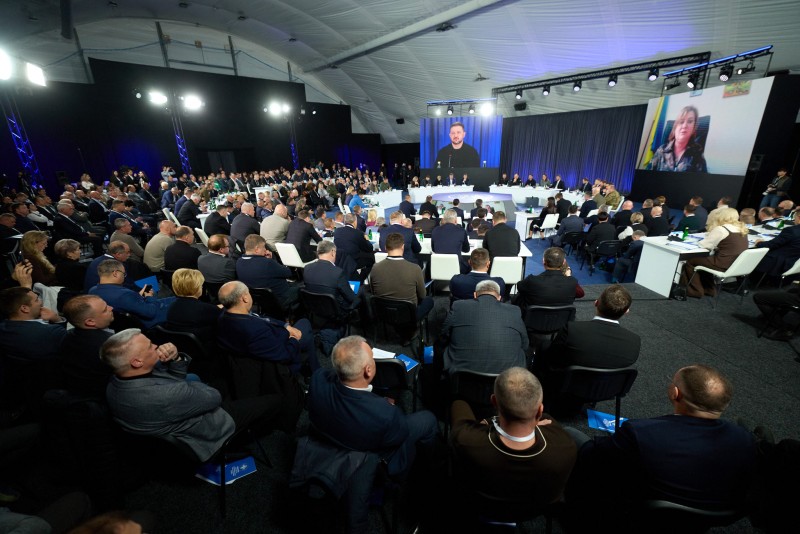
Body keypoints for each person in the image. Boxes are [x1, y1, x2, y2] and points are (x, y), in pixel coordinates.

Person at [570, 365, 755, 514]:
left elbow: (593, 458)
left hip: (631, 512)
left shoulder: (640, 433)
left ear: (675, 393)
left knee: (571, 435)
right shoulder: (746, 440)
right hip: (707, 517)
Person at [101, 328, 285, 462]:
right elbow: (214, 397)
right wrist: (194, 386)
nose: (155, 345)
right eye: (150, 346)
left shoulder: (114, 382)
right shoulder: (168, 395)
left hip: (169, 422)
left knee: (221, 381)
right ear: (137, 362)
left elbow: (174, 383)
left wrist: (175, 358)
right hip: (205, 431)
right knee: (275, 401)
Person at [308, 335, 438, 478]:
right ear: (368, 370)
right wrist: (383, 407)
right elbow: (400, 436)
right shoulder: (385, 413)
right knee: (428, 419)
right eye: (372, 357)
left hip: (330, 440)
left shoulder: (317, 379)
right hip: (371, 458)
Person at [450, 367, 576, 513]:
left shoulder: (465, 440)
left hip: (480, 507)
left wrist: (488, 422)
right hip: (532, 512)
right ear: (540, 411)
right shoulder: (566, 446)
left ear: (494, 402)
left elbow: (461, 423)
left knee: (459, 403)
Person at [216, 281, 316, 376]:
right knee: (305, 323)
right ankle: (316, 372)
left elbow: (261, 317)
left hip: (264, 347)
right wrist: (294, 339)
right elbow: (285, 355)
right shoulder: (256, 331)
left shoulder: (225, 315)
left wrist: (285, 325)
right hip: (282, 353)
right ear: (245, 298)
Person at [439, 280, 528, 374]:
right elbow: (525, 344)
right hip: (508, 376)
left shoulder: (458, 306)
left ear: (475, 295)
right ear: (499, 298)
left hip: (461, 375)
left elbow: (443, 335)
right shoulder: (514, 311)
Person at [680, 207, 748, 299]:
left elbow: (705, 245)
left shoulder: (721, 229)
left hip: (722, 263)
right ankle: (709, 289)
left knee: (691, 262)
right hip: (735, 264)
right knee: (704, 262)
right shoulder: (742, 229)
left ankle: (696, 291)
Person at [88, 259, 175, 329]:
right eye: (124, 274)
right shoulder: (124, 295)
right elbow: (151, 313)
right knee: (179, 303)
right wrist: (149, 296)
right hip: (147, 320)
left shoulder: (92, 291)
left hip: (136, 310)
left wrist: (139, 295)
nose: (124, 276)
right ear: (115, 273)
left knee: (174, 299)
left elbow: (129, 302)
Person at [59, 295, 115, 398]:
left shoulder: (67, 336)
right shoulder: (111, 344)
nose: (111, 308)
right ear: (90, 322)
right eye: (105, 310)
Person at [369, 233, 433, 321]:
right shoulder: (415, 268)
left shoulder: (375, 268)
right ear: (403, 247)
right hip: (408, 315)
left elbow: (373, 292)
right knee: (429, 301)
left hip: (383, 313)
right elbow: (422, 295)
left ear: (385, 247)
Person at [0, 286, 67, 361]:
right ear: (25, 308)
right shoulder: (52, 332)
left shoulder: (2, 330)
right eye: (37, 300)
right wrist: (58, 320)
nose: (41, 302)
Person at [236, 234, 299, 308]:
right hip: (281, 298)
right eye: (263, 247)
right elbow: (288, 273)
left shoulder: (238, 262)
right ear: (257, 249)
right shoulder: (267, 263)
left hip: (259, 301)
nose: (265, 250)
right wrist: (272, 260)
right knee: (302, 288)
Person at [165, 268, 223, 346]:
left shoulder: (171, 307)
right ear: (195, 288)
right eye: (201, 285)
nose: (202, 287)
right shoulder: (204, 310)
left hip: (184, 346)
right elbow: (223, 317)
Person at [515, 247, 584, 310]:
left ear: (543, 261)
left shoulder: (532, 280)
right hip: (562, 318)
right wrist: (569, 277)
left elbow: (519, 287)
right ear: (564, 262)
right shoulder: (572, 282)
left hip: (534, 318)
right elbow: (580, 294)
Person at [647, 105, 708, 172]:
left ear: (693, 128)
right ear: (675, 127)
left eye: (690, 121)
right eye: (681, 122)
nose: (684, 126)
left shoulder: (698, 154)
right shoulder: (661, 151)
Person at [753, 210, 800, 278]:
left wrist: (759, 243)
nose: (794, 220)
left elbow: (771, 245)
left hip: (778, 263)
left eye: (794, 217)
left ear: (799, 217)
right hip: (794, 262)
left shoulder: (791, 230)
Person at [431, 209, 470, 273]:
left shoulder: (435, 230)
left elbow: (434, 249)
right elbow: (466, 250)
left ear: (444, 219)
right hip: (458, 267)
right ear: (455, 220)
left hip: (439, 267)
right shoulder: (461, 231)